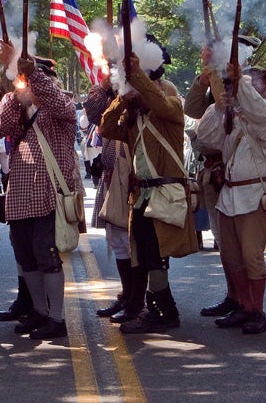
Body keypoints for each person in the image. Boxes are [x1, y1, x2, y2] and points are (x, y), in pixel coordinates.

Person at [99, 52, 197, 335]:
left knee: (156, 256)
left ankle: (162, 311)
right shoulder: (135, 119)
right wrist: (122, 98)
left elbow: (158, 102)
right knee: (143, 254)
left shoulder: (171, 109)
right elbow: (106, 127)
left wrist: (138, 76)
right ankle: (160, 309)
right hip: (142, 195)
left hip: (164, 193)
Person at [0, 45, 78, 341]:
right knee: (26, 257)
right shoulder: (17, 107)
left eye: (37, 78)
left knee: (47, 255)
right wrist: (15, 95)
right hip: (20, 195)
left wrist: (32, 75)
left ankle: (56, 317)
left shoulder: (60, 105)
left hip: (49, 194)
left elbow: (57, 103)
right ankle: (39, 311)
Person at [196, 62, 266, 334]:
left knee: (251, 256)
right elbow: (205, 137)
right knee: (232, 257)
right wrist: (220, 107)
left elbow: (257, 110)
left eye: (250, 85)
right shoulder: (233, 115)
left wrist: (239, 84)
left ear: (265, 88)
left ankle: (257, 311)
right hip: (230, 193)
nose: (243, 91)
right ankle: (244, 306)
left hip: (255, 194)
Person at [85, 71, 140, 322]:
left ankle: (137, 299)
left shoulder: (145, 96)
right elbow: (95, 113)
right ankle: (127, 294)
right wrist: (107, 85)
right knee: (119, 243)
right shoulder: (113, 99)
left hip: (132, 178)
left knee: (133, 243)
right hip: (113, 178)